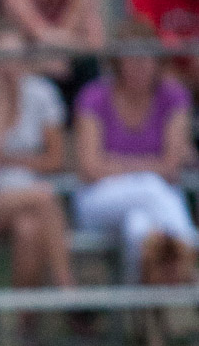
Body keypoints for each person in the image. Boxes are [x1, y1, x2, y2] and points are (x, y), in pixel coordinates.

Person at [0, 16, 75, 346]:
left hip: (26, 201)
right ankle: (68, 289)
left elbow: (56, 160)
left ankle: (26, 329)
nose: (12, 66)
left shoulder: (42, 93)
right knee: (44, 195)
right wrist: (1, 102)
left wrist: (12, 160)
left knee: (28, 229)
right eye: (4, 58)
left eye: (17, 56)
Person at [74, 18, 198, 314]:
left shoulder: (173, 96)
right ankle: (192, 261)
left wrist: (116, 165)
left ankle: (138, 316)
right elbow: (89, 168)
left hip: (153, 202)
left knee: (138, 227)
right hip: (99, 199)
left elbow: (172, 167)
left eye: (145, 58)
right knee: (150, 186)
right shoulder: (94, 96)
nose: (138, 66)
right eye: (130, 59)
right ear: (117, 63)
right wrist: (149, 168)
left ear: (157, 62)